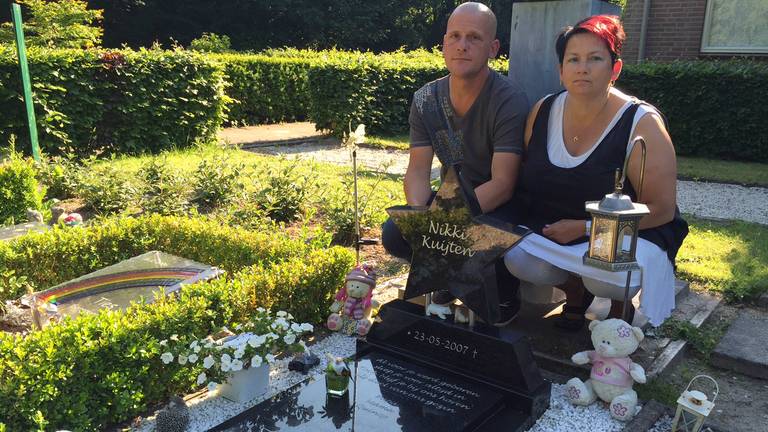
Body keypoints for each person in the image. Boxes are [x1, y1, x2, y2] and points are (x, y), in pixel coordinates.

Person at [504, 15, 688, 330]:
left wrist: (586, 228)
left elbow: (662, 210)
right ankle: (574, 291)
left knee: (607, 273)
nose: (582, 67)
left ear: (614, 69)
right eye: (573, 59)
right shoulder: (543, 111)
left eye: (595, 58)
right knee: (517, 257)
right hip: (554, 225)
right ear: (561, 70)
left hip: (627, 234)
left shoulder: (642, 123)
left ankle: (619, 306)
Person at [381, 2, 529, 325]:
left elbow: (503, 184)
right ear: (444, 44)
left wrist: (450, 227)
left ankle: (503, 293)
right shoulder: (425, 99)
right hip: (451, 199)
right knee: (396, 232)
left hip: (500, 202)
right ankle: (445, 279)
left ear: (493, 48)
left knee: (488, 236)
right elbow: (418, 170)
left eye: (474, 38)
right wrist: (424, 221)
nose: (462, 45)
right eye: (455, 36)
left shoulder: (508, 100)